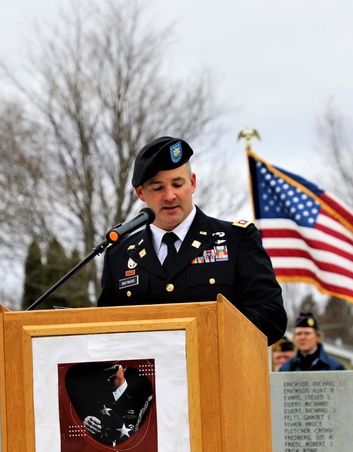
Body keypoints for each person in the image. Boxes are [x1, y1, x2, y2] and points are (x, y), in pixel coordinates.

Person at [98, 136, 286, 343]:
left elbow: (271, 317)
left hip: (218, 370)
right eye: (158, 188)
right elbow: (106, 332)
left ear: (193, 183)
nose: (170, 196)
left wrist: (205, 334)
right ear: (140, 193)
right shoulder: (119, 254)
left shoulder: (237, 240)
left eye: (177, 184)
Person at [80, 363, 155, 447]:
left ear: (124, 367)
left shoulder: (143, 397)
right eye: (104, 373)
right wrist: (84, 423)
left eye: (112, 372)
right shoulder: (90, 396)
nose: (108, 379)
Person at [279, 312, 346, 371]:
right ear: (294, 338)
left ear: (317, 336)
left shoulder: (335, 368)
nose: (302, 338)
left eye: (307, 333)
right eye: (299, 334)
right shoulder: (286, 368)